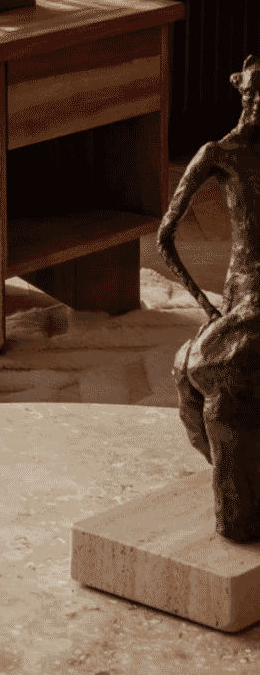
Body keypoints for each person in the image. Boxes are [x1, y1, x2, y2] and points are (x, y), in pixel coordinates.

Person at [159, 54, 260, 542]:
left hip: (253, 305)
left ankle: (240, 509)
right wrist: (206, 307)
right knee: (188, 375)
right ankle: (239, 487)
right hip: (239, 299)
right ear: (241, 91)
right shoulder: (220, 153)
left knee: (209, 375)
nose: (258, 103)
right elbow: (166, 236)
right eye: (252, 93)